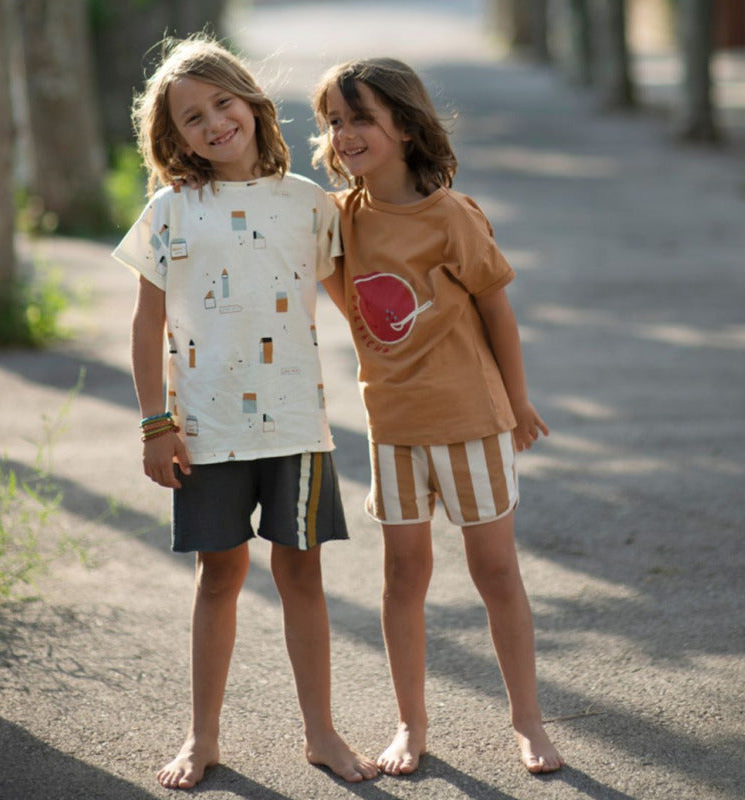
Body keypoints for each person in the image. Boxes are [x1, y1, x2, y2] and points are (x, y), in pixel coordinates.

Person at [112, 35, 377, 790]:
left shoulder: (308, 204)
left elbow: (356, 306)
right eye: (192, 119)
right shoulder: (170, 211)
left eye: (222, 103)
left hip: (296, 425)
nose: (213, 123)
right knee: (218, 577)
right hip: (206, 432)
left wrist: (407, 373)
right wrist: (154, 423)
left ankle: (321, 733)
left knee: (302, 577)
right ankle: (202, 738)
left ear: (252, 103)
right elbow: (145, 325)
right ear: (174, 140)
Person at [310, 58, 565, 776]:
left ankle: (528, 721)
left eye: (362, 117)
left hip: (471, 422)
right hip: (393, 427)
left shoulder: (451, 216)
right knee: (402, 576)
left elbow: (498, 312)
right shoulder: (338, 220)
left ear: (406, 125)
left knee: (495, 571)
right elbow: (355, 307)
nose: (346, 132)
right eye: (334, 119)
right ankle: (410, 724)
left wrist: (517, 403)